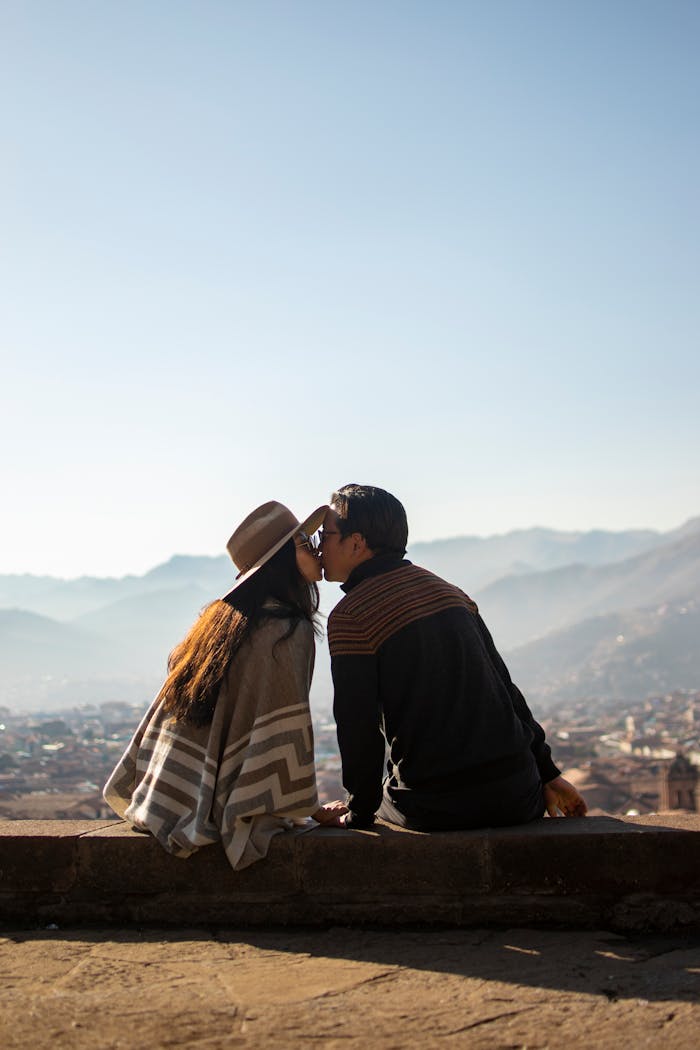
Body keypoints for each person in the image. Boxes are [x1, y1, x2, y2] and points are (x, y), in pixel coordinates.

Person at [320, 484, 587, 831]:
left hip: (438, 804)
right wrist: (547, 773)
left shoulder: (352, 615)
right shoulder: (450, 592)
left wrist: (358, 813)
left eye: (325, 535)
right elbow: (505, 688)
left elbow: (358, 727)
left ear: (356, 543)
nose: (318, 546)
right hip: (519, 795)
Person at [104, 500, 347, 870]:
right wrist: (311, 808)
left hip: (169, 800)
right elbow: (282, 730)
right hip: (222, 807)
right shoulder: (286, 630)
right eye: (303, 541)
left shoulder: (217, 621)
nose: (315, 548)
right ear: (282, 559)